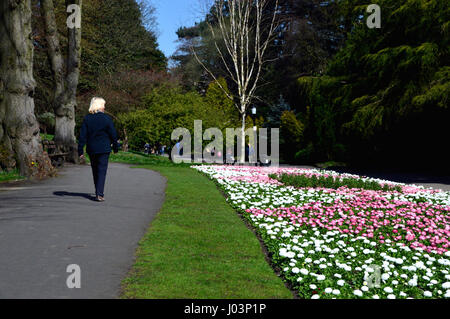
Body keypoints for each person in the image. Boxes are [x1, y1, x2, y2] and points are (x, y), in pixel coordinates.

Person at [78, 97, 118, 202]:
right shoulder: (107, 119)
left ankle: (98, 191)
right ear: (100, 106)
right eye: (103, 105)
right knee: (102, 171)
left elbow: (82, 135)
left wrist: (80, 150)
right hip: (104, 148)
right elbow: (113, 134)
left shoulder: (87, 119)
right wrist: (115, 146)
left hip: (92, 148)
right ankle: (99, 194)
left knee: (95, 170)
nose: (104, 107)